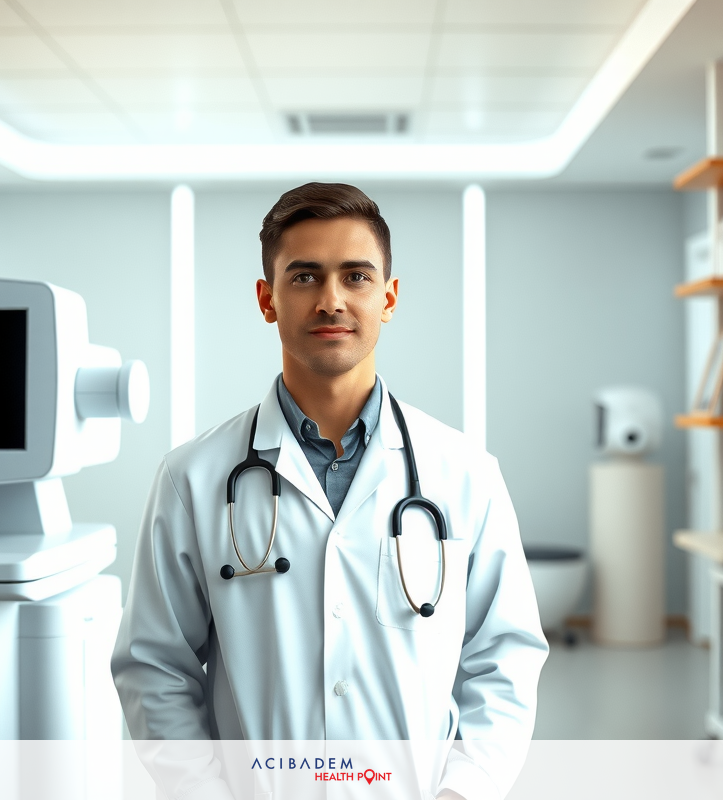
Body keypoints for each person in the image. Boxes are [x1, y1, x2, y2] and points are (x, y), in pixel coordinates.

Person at [114, 183, 548, 799]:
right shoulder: (193, 477)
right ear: (267, 299)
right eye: (305, 277)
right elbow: (155, 667)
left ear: (389, 297)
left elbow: (504, 659)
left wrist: (464, 791)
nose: (331, 300)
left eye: (356, 276)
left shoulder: (465, 473)